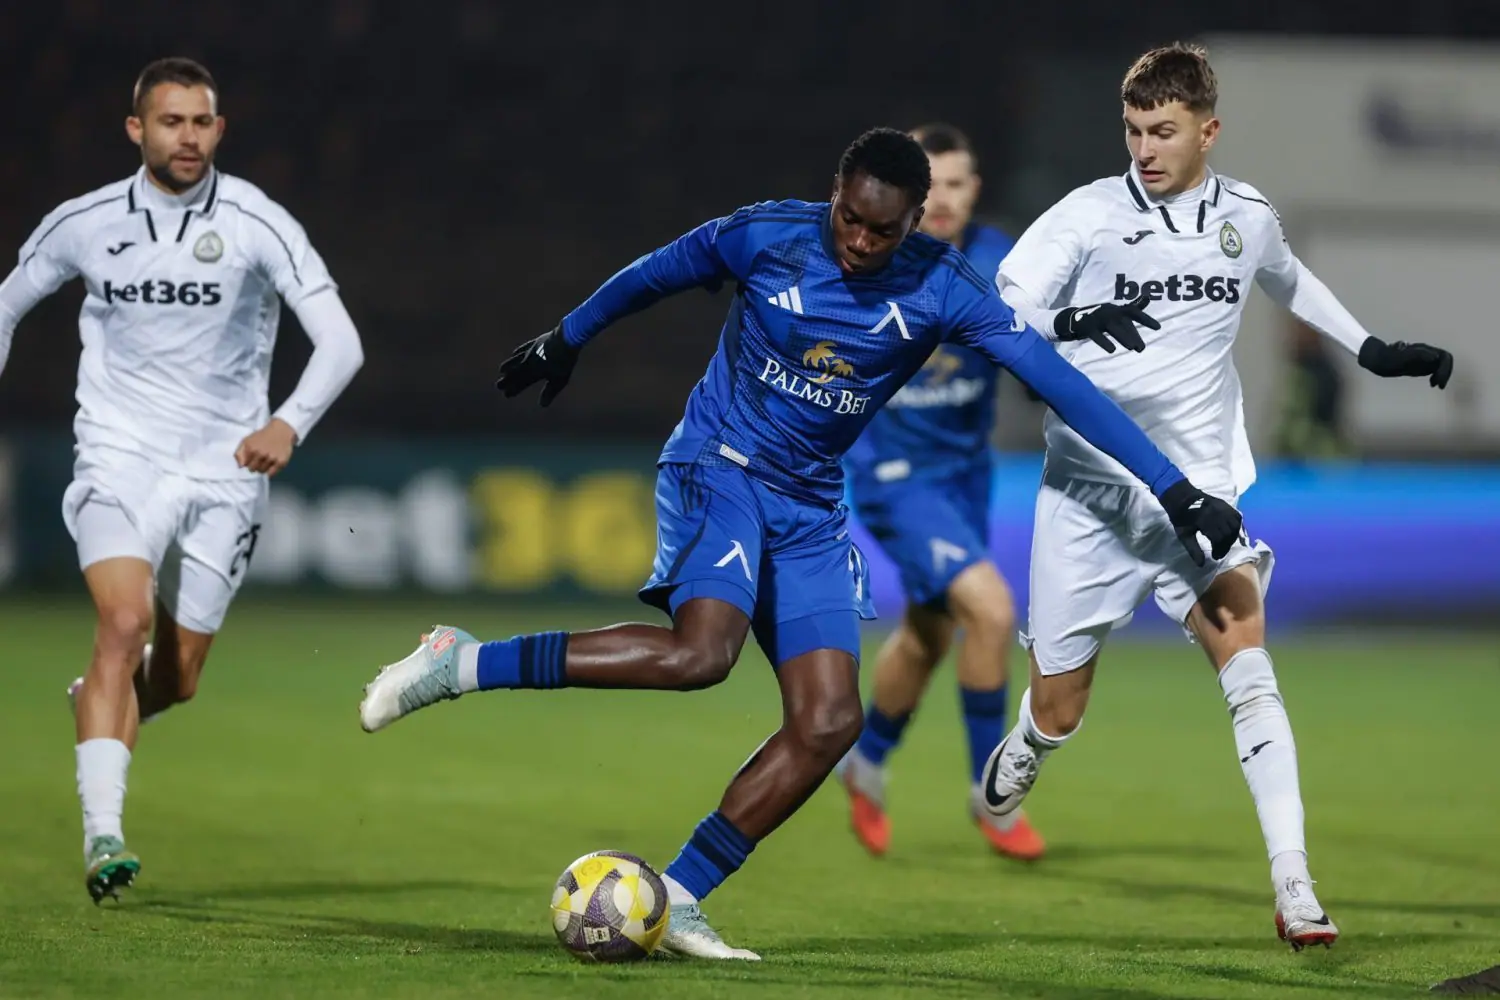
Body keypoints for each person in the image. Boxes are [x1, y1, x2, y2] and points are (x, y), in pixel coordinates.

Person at [358, 127, 1240, 960]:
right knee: (701, 655)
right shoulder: (767, 236)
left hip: (811, 503)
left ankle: (681, 894)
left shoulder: (944, 286)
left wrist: (1175, 490)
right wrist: (568, 338)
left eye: (882, 230)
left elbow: (1063, 387)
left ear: (915, 221)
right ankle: (459, 661)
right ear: (835, 194)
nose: (859, 241)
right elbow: (655, 273)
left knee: (828, 722)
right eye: (850, 218)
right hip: (721, 464)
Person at [979, 43, 1454, 950]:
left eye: (1163, 131)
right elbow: (1002, 304)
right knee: (1061, 708)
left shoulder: (1247, 217)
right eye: (1133, 130)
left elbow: (1288, 277)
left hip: (1200, 493)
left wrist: (1370, 348)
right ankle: (1030, 741)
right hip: (1091, 495)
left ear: (1209, 130)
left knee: (1249, 665)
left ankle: (1295, 885)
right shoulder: (1089, 213)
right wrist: (1074, 318)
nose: (1144, 149)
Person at [0, 57, 365, 902]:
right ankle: (104, 835)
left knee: (177, 678)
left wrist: (287, 423)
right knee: (123, 621)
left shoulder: (256, 222)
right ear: (138, 129)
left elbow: (341, 342)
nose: (189, 137)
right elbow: (8, 302)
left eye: (202, 122)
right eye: (172, 122)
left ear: (219, 129)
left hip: (226, 471)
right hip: (120, 455)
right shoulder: (85, 222)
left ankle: (101, 703)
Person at [838, 123, 1043, 861]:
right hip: (894, 475)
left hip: (965, 476)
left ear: (974, 189)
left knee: (929, 634)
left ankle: (865, 763)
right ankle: (992, 796)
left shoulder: (1001, 261)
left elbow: (1039, 344)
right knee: (991, 610)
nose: (945, 199)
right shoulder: (871, 257)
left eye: (957, 183)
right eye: (933, 185)